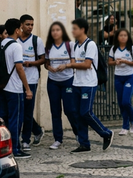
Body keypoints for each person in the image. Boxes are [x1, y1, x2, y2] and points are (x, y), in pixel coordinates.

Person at [66, 18, 114, 153]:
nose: (73, 31)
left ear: (82, 30)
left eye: (75, 28)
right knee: (77, 114)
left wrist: (69, 65)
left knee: (85, 112)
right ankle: (84, 143)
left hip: (89, 83)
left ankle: (106, 133)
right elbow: (76, 63)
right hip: (77, 83)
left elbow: (87, 65)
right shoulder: (75, 45)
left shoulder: (90, 45)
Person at [0, 19, 33, 159]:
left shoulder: (2, 43)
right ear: (17, 30)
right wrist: (27, 88)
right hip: (14, 88)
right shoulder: (16, 46)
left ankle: (5, 148)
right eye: (20, 28)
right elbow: (19, 68)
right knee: (16, 119)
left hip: (3, 87)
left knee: (4, 119)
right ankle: (16, 149)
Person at [44, 21, 79, 150]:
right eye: (53, 30)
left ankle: (78, 133)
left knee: (69, 109)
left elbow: (74, 62)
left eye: (57, 30)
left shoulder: (70, 45)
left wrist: (66, 66)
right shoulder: (48, 47)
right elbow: (46, 63)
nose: (55, 32)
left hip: (68, 80)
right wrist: (49, 68)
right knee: (55, 111)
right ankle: (58, 138)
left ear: (62, 31)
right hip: (53, 81)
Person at [18, 14, 46, 150]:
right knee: (19, 110)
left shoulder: (36, 41)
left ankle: (25, 140)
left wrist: (32, 63)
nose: (30, 27)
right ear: (21, 25)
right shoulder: (15, 40)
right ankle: (38, 130)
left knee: (28, 111)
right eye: (27, 24)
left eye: (32, 25)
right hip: (16, 81)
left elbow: (43, 59)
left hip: (32, 79)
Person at [108, 29, 133, 136]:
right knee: (121, 103)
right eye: (121, 35)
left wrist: (126, 61)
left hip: (129, 77)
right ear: (117, 37)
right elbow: (109, 62)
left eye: (125, 35)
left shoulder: (132, 49)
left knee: (126, 101)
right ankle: (125, 126)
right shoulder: (114, 48)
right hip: (118, 77)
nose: (123, 37)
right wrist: (115, 62)